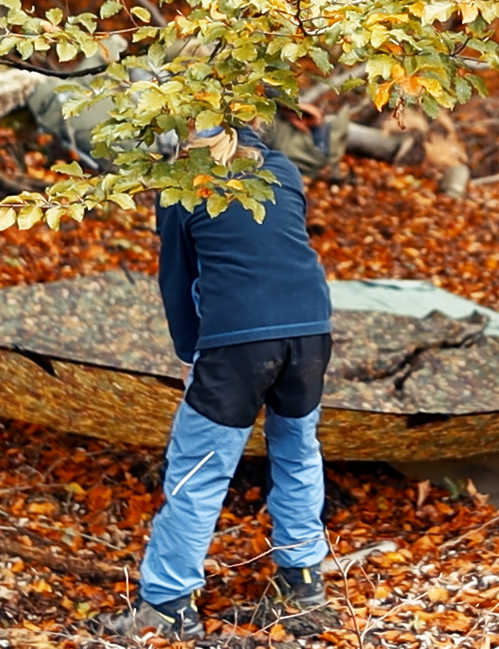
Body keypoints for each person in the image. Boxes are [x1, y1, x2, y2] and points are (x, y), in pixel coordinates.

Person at [92, 126, 335, 639]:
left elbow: (177, 281)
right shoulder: (282, 169)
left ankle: (169, 606)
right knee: (298, 452)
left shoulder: (183, 182)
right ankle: (304, 584)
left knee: (198, 468)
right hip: (311, 330)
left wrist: (188, 353)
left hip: (240, 342)